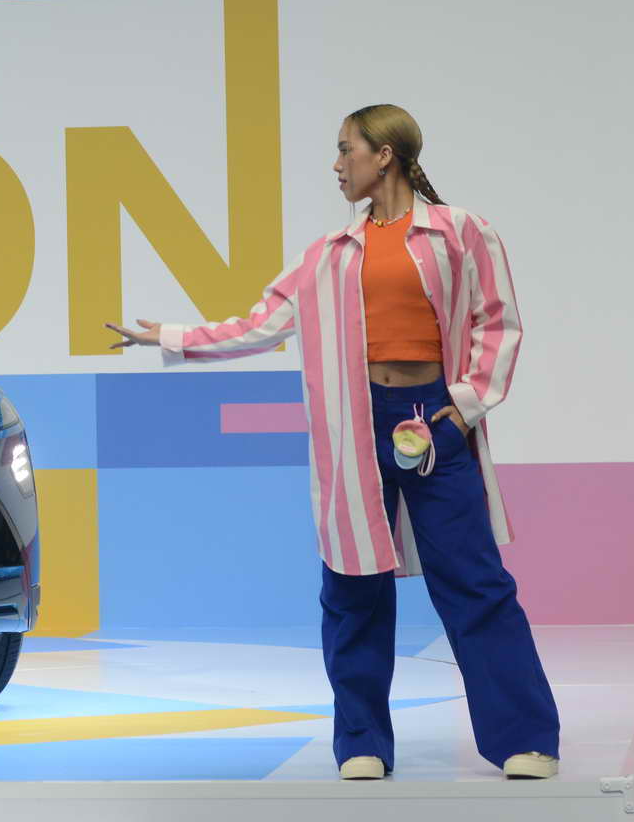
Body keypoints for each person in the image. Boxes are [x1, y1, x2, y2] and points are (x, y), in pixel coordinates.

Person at [105, 104, 561, 782]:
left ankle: (525, 737)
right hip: (355, 425)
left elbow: (499, 322)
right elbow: (258, 325)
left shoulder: (461, 232)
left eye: (347, 149)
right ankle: (362, 741)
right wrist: (169, 336)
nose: (337, 164)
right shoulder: (328, 254)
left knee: (475, 582)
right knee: (352, 584)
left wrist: (463, 409)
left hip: (434, 420)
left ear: (385, 155)